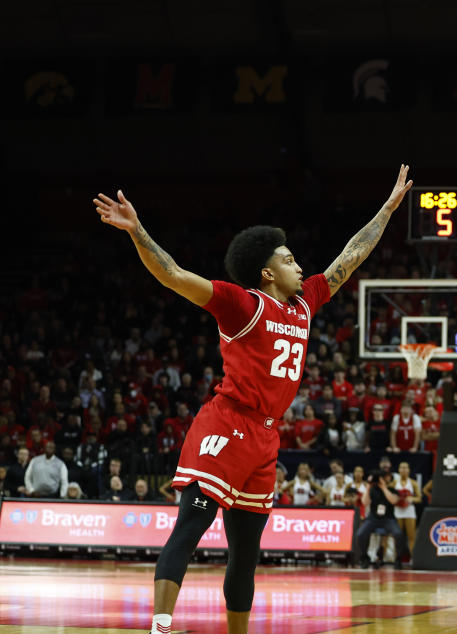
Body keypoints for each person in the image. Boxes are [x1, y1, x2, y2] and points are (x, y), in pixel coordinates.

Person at [94, 164, 412, 634]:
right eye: (288, 259)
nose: (299, 265)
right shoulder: (243, 304)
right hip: (227, 423)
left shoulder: (305, 302)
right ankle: (160, 627)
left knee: (246, 553)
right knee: (192, 526)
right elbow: (174, 275)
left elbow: (351, 257)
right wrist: (138, 231)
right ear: (267, 272)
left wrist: (386, 210)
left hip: (265, 437)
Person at [355, 469, 407, 569]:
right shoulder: (372, 490)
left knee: (398, 534)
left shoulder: (392, 490)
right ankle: (365, 557)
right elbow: (365, 503)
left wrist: (383, 487)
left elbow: (393, 501)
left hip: (388, 519)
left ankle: (398, 559)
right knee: (360, 534)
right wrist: (368, 487)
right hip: (373, 518)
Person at [393, 461, 422, 555]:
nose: (403, 470)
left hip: (409, 511)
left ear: (409, 470)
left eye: (406, 468)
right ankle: (397, 558)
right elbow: (388, 497)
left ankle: (413, 558)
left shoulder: (413, 483)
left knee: (411, 537)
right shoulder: (394, 483)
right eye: (401, 468)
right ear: (398, 470)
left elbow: (419, 498)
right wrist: (395, 499)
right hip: (398, 511)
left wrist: (412, 498)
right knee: (397, 536)